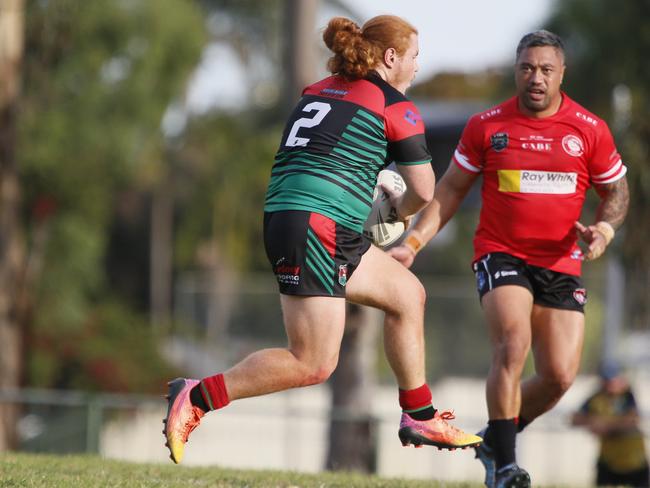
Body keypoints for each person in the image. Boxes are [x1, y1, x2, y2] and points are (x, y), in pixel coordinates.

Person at [162, 15, 481, 464]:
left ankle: (420, 414)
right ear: (391, 58)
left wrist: (361, 211)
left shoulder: (321, 88)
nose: (416, 69)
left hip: (297, 218)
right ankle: (196, 397)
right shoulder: (395, 104)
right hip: (319, 226)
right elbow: (425, 191)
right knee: (312, 362)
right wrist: (396, 213)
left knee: (408, 296)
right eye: (414, 59)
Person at [389, 29, 629, 487]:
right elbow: (450, 190)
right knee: (512, 343)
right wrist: (414, 242)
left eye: (545, 69)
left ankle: (496, 438)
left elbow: (616, 190)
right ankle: (505, 467)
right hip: (501, 253)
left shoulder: (590, 129)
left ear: (562, 74)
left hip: (561, 262)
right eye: (526, 68)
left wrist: (604, 228)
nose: (535, 78)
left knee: (559, 377)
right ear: (515, 71)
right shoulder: (488, 125)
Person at [572, 362, 650, 487]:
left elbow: (632, 420)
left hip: (635, 462)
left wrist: (605, 426)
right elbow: (575, 419)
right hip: (608, 462)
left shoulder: (628, 396)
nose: (610, 385)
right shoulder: (597, 398)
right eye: (607, 380)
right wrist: (593, 422)